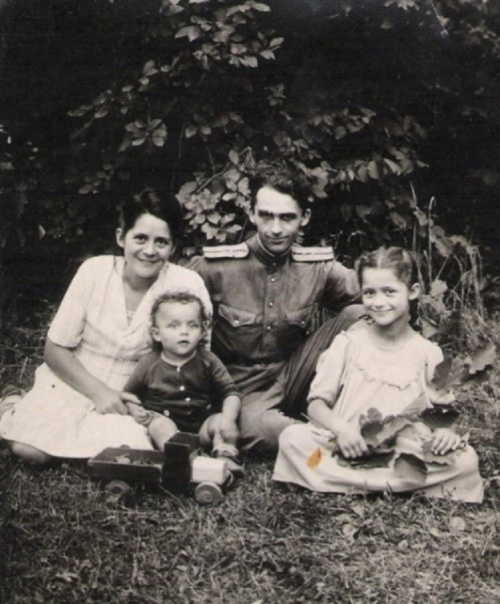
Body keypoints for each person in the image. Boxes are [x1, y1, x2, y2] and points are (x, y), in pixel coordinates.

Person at [0, 189, 212, 464]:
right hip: (75, 379)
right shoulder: (94, 272)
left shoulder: (186, 284)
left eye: (161, 242)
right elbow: (55, 350)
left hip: (137, 394)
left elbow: (197, 357)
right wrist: (100, 393)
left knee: (129, 450)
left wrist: (153, 402)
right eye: (140, 238)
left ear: (173, 247)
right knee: (30, 451)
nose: (149, 251)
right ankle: (12, 405)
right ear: (121, 237)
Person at [273, 247, 484, 502]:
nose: (378, 302)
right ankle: (395, 485)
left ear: (413, 291)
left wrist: (445, 434)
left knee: (466, 460)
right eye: (369, 293)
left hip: (403, 449)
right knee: (293, 438)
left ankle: (345, 481)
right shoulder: (347, 344)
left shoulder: (429, 352)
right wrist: (342, 430)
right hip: (346, 444)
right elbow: (316, 406)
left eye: (389, 291)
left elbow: (443, 415)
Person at [187, 170, 364, 452]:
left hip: (296, 374)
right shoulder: (216, 267)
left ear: (304, 217)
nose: (275, 229)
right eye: (266, 216)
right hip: (241, 388)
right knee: (258, 430)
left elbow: (374, 296)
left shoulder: (317, 267)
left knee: (359, 315)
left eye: (287, 217)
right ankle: (327, 434)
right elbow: (166, 300)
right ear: (252, 214)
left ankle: (352, 406)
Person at [122, 291, 243, 473]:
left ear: (202, 331)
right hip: (165, 423)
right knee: (160, 426)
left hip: (200, 426)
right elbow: (128, 394)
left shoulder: (208, 360)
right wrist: (133, 408)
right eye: (174, 326)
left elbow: (230, 392)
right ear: (156, 333)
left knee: (219, 422)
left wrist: (228, 419)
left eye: (192, 325)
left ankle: (226, 456)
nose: (184, 331)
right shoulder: (148, 364)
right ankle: (181, 459)